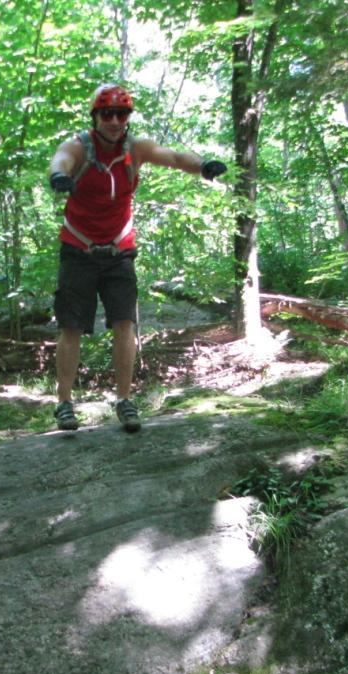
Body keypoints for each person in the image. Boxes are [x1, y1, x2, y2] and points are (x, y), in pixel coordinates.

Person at [47, 84, 227, 433]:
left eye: (121, 114)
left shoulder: (136, 149)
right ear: (95, 117)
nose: (114, 121)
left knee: (124, 324)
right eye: (107, 114)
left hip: (119, 251)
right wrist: (59, 176)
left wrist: (203, 166)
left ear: (128, 118)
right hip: (78, 249)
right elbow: (61, 160)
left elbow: (173, 157)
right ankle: (64, 403)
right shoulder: (79, 147)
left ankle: (125, 400)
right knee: (71, 326)